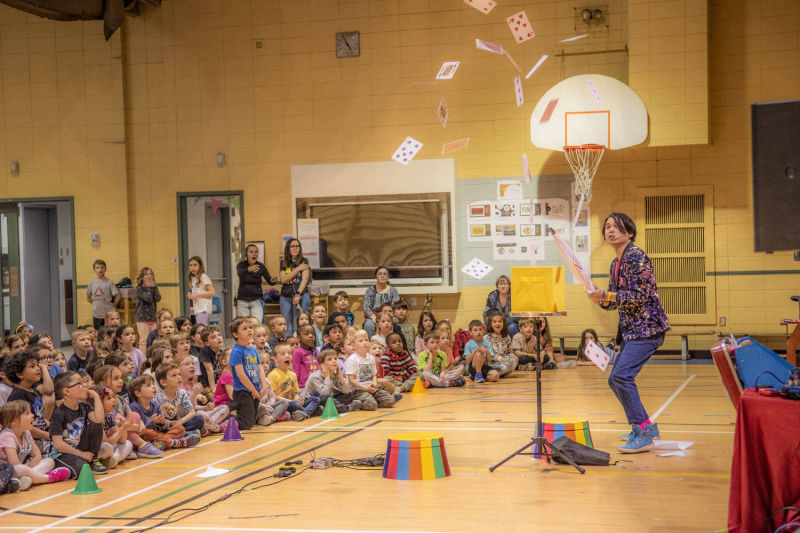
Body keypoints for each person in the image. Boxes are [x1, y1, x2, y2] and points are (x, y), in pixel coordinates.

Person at [586, 212, 670, 453]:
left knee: (621, 377)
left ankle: (641, 433)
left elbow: (638, 296)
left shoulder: (637, 257)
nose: (610, 230)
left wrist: (607, 295)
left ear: (629, 233)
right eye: (608, 227)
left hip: (647, 329)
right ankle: (647, 426)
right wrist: (601, 299)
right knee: (615, 378)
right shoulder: (615, 263)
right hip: (631, 331)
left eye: (617, 227)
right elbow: (616, 301)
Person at [49, 371, 111, 477]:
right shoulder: (59, 414)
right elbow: (58, 444)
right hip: (63, 454)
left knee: (97, 425)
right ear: (67, 391)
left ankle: (94, 459)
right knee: (83, 469)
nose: (85, 385)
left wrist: (96, 397)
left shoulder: (85, 407)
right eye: (80, 383)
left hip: (80, 449)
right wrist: (81, 454)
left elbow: (99, 419)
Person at [0, 400, 70, 487]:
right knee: (21, 468)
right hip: (5, 473)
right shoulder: (7, 436)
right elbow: (14, 463)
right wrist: (27, 470)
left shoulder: (26, 433)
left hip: (20, 471)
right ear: (14, 422)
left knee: (49, 461)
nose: (33, 415)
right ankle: (47, 478)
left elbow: (37, 455)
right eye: (27, 413)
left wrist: (30, 470)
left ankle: (26, 480)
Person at [128, 374, 197, 450]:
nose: (154, 387)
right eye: (148, 385)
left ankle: (159, 443)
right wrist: (153, 422)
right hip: (146, 436)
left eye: (153, 384)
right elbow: (141, 430)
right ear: (138, 393)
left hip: (159, 434)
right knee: (148, 433)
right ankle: (175, 442)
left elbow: (165, 428)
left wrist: (163, 422)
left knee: (179, 428)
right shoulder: (134, 407)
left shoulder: (155, 403)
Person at [228, 317, 267, 430]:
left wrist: (263, 386)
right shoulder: (236, 351)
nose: (249, 330)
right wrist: (253, 390)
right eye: (244, 328)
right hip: (243, 391)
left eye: (250, 327)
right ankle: (225, 419)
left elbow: (259, 369)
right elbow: (240, 375)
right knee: (245, 424)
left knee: (251, 421)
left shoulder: (253, 350)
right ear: (235, 334)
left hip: (255, 389)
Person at [345, 330, 397, 409]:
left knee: (390, 401)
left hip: (371, 388)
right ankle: (357, 402)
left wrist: (374, 383)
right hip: (358, 390)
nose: (365, 342)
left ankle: (374, 400)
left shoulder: (371, 358)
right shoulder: (352, 359)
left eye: (366, 340)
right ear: (353, 345)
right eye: (361, 341)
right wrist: (365, 388)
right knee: (371, 405)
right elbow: (351, 380)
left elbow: (374, 375)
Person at [303, 349, 361, 413]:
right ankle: (345, 408)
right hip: (313, 401)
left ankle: (327, 409)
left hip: (328, 398)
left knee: (348, 396)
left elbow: (346, 391)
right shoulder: (315, 377)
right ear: (322, 364)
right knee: (328, 398)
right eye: (329, 359)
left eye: (335, 359)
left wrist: (340, 376)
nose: (334, 361)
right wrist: (327, 377)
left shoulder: (333, 375)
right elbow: (324, 394)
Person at [236, 244, 277, 323]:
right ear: (246, 254)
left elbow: (269, 280)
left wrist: (273, 280)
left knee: (256, 323)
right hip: (242, 300)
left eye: (256, 252)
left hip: (256, 300)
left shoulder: (261, 266)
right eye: (251, 252)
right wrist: (248, 269)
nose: (254, 254)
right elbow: (239, 273)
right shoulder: (241, 265)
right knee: (244, 324)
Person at [278, 238, 311, 337]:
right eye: (293, 246)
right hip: (286, 296)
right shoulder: (283, 263)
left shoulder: (304, 261)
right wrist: (297, 269)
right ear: (288, 248)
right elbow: (283, 279)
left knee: (299, 325)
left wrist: (298, 294)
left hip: (301, 295)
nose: (295, 248)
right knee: (288, 327)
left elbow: (304, 280)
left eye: (297, 246)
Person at [362, 266, 400, 338]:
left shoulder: (393, 291)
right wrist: (373, 317)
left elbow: (396, 306)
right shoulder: (369, 290)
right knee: (368, 325)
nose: (382, 276)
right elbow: (366, 307)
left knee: (395, 325)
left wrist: (388, 317)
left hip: (389, 316)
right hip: (373, 317)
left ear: (388, 276)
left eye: (384, 274)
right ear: (376, 276)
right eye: (380, 274)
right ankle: (371, 346)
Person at [86, 259, 120, 331]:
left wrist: (113, 305)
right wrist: (95, 303)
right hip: (97, 314)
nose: (100, 269)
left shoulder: (109, 282)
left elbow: (118, 296)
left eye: (102, 267)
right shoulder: (92, 283)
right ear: (94, 270)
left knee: (110, 332)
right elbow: (88, 297)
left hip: (108, 314)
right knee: (99, 334)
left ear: (105, 269)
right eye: (97, 267)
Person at [484, 309, 519, 377]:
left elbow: (510, 351)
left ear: (503, 323)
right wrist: (498, 358)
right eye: (494, 322)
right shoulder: (487, 337)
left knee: (515, 359)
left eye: (500, 321)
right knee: (499, 365)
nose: (497, 324)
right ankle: (493, 372)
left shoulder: (507, 337)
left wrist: (509, 358)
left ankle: (499, 372)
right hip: (492, 362)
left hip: (504, 361)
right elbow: (489, 353)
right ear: (490, 324)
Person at [134, 267, 161, 351]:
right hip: (142, 318)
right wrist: (149, 288)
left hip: (152, 318)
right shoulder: (139, 288)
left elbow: (157, 298)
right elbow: (148, 298)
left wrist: (154, 287)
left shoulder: (153, 287)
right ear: (142, 278)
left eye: (150, 274)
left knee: (154, 339)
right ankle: (143, 360)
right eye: (146, 275)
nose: (149, 276)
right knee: (144, 340)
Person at [187, 257, 215, 326]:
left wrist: (196, 295)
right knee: (199, 328)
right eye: (190, 265)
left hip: (204, 307)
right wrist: (190, 295)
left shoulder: (203, 276)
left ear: (200, 266)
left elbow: (212, 292)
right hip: (197, 307)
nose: (192, 267)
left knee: (201, 328)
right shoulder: (193, 278)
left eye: (195, 265)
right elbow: (196, 292)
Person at [292, 325, 319, 389]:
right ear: (298, 338)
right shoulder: (298, 352)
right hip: (304, 387)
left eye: (313, 334)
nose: (311, 336)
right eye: (306, 334)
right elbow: (295, 371)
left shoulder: (315, 351)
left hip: (316, 385)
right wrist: (296, 388)